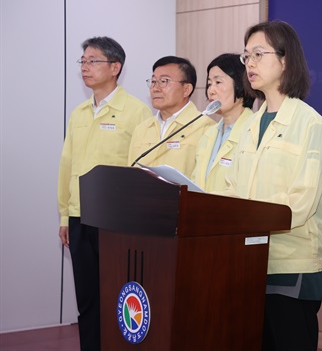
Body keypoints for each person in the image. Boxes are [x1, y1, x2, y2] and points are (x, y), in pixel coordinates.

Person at [225, 20, 322, 351]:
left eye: (259, 54)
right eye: (246, 57)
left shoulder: (310, 123)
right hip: (249, 263)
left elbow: (300, 203)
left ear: (286, 60)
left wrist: (245, 220)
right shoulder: (247, 126)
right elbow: (231, 189)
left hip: (290, 264)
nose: (250, 64)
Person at [57, 37, 152, 351]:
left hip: (115, 223)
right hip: (78, 216)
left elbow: (141, 171)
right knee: (87, 299)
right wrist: (63, 215)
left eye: (93, 61)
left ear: (115, 67)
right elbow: (66, 164)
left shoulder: (136, 112)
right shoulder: (80, 112)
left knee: (118, 297)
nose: (85, 67)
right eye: (83, 61)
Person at [128, 56, 215, 178]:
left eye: (164, 81)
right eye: (153, 81)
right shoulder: (141, 129)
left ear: (186, 90)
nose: (155, 88)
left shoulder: (206, 128)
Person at [190, 53, 254, 192]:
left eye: (218, 82)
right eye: (209, 84)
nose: (211, 91)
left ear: (241, 84)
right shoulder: (209, 133)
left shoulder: (254, 132)